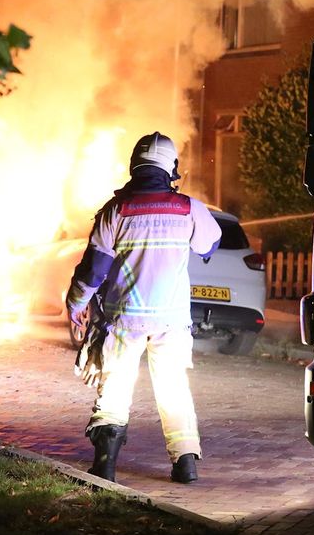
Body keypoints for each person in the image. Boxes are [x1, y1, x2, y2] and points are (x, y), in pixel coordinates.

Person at [65, 131, 222, 483]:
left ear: (135, 165)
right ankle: (186, 465)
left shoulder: (114, 211)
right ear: (171, 168)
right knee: (173, 389)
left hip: (125, 319)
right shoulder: (189, 208)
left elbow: (93, 270)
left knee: (115, 386)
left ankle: (105, 465)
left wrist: (76, 303)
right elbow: (209, 244)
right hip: (172, 319)